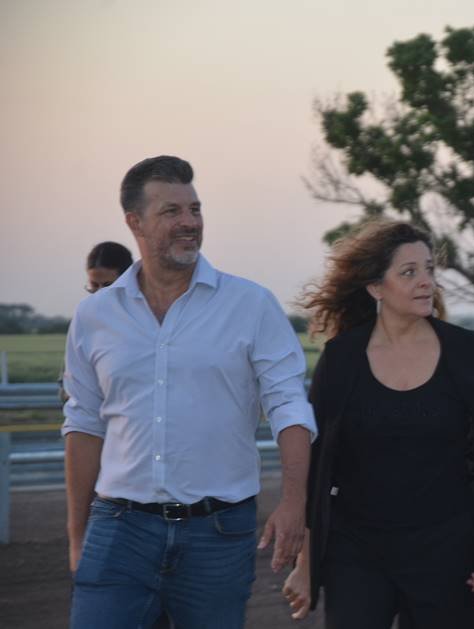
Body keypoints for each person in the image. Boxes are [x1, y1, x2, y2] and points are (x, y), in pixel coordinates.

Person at [61, 155, 316, 628]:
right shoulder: (95, 316)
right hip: (118, 529)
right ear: (134, 222)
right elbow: (83, 424)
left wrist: (293, 501)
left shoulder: (251, 305)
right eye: (172, 211)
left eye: (195, 209)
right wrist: (78, 536)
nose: (189, 222)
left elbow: (289, 405)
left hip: (217, 534)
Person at [280, 220, 474, 628]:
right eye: (409, 272)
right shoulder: (342, 358)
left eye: (429, 269)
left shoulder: (467, 351)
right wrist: (306, 565)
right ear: (376, 287)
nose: (426, 282)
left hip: (447, 553)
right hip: (357, 554)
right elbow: (320, 467)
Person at [58, 242, 135, 403]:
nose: (100, 293)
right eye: (94, 285)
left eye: (107, 285)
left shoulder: (149, 319)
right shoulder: (85, 320)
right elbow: (67, 386)